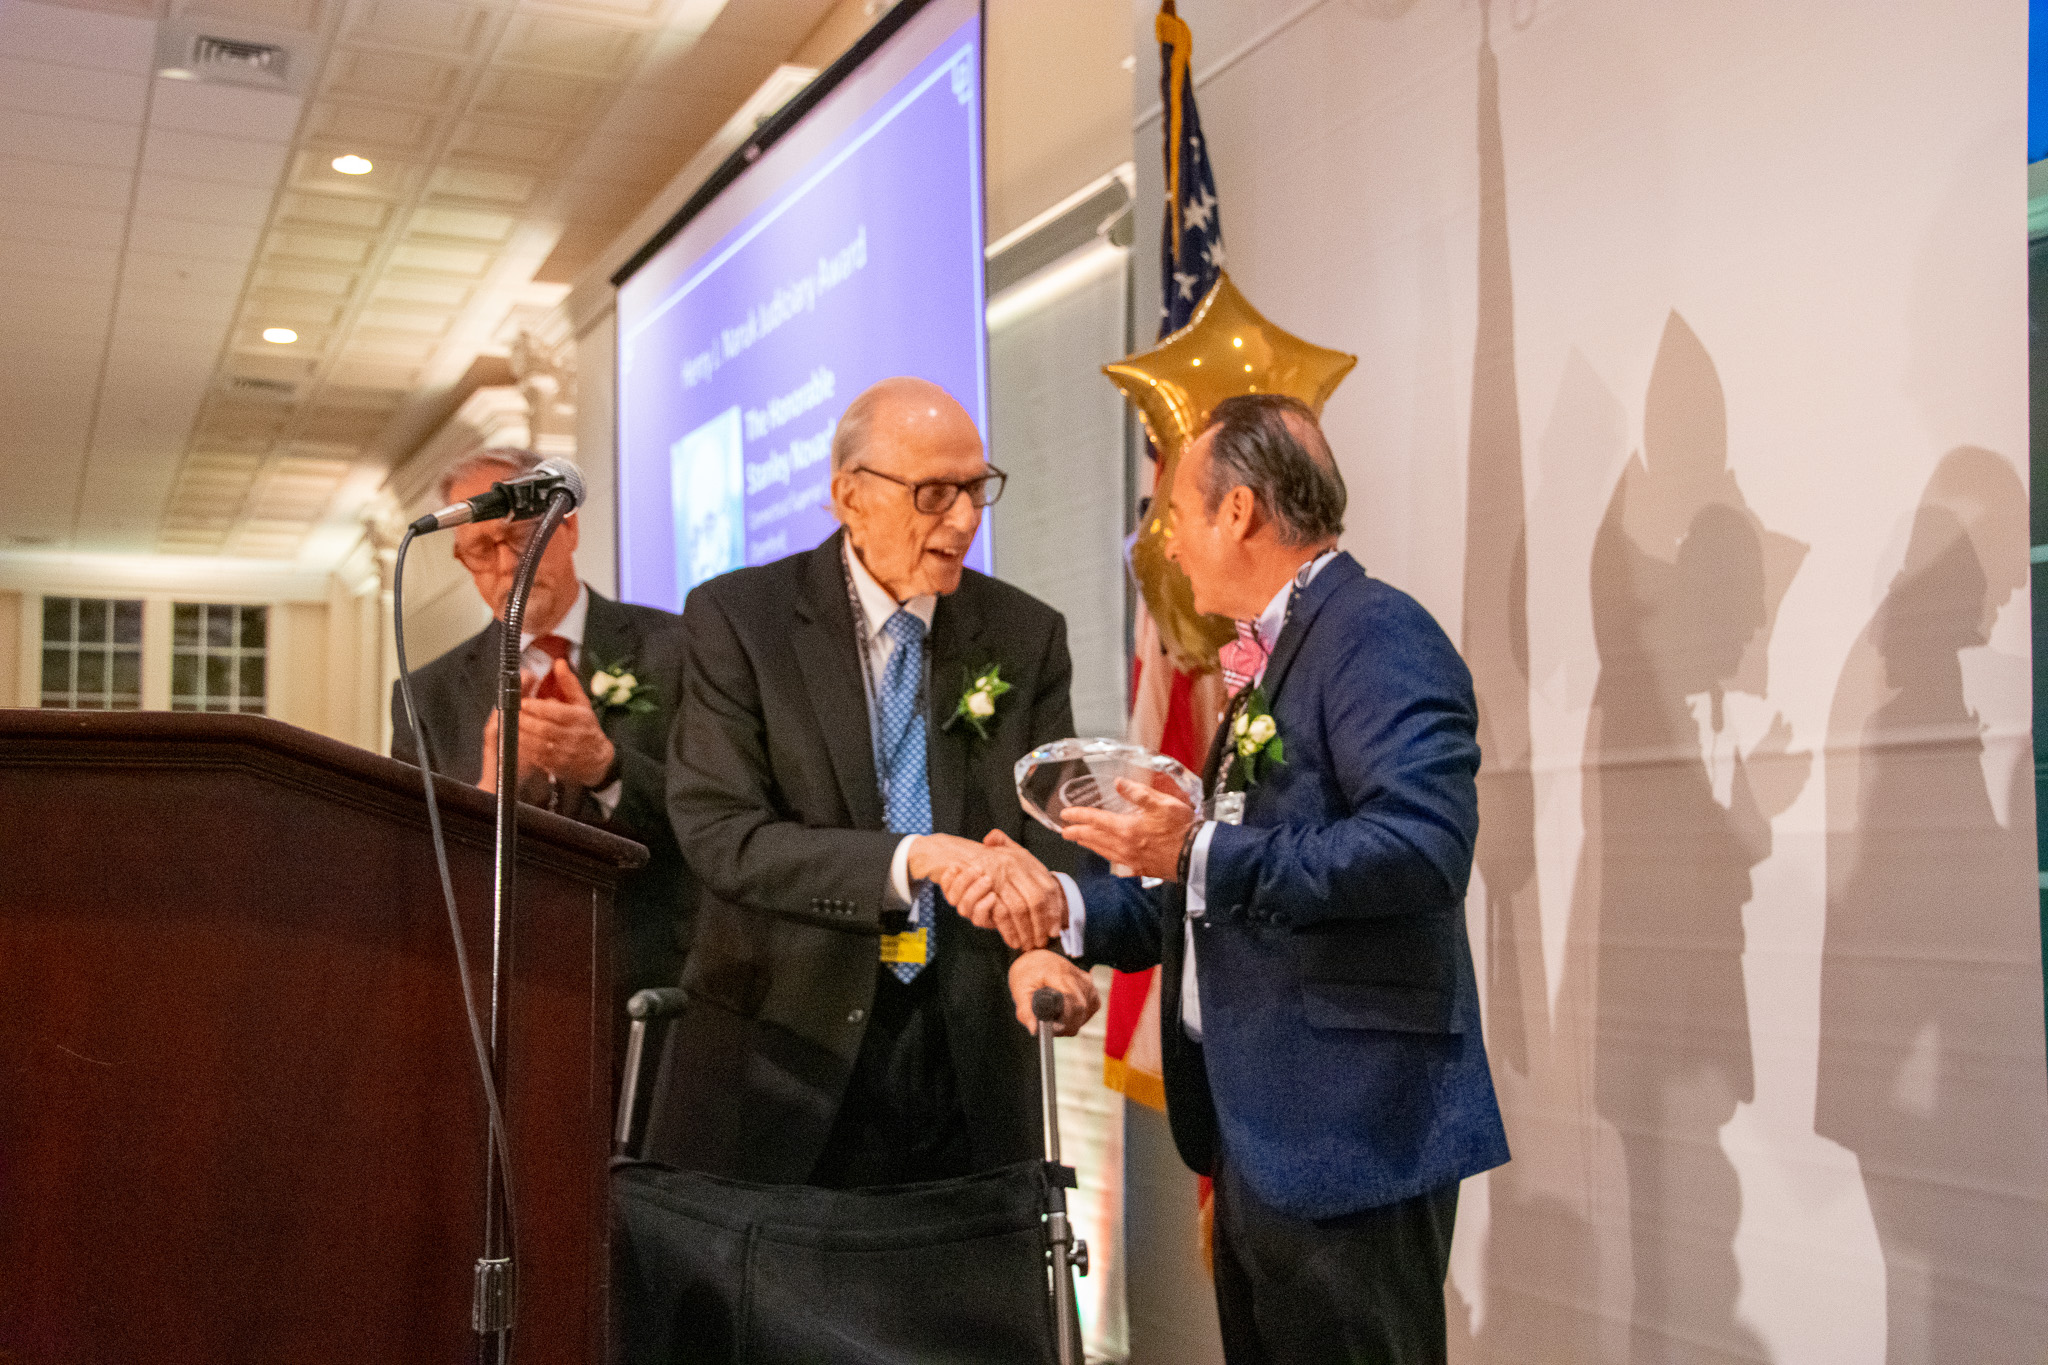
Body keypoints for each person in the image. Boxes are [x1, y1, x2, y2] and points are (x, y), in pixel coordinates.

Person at [1008, 394, 1509, 1364]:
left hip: (1347, 1136)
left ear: (1237, 511)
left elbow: (1420, 850)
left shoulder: (1374, 631)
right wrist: (1061, 903)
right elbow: (1215, 889)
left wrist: (1195, 850)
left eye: (1175, 514)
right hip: (1260, 1133)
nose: (1163, 543)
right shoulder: (1270, 659)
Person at [643, 376, 1077, 1188]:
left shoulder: (1025, 634)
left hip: (970, 1054)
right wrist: (915, 857)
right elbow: (722, 834)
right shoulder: (741, 620)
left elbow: (1055, 825)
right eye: (935, 493)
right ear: (850, 496)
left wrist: (1047, 945)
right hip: (787, 1052)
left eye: (976, 488)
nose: (965, 519)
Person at [390, 446, 697, 1062]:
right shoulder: (427, 695)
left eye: (520, 537)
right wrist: (490, 793)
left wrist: (607, 770)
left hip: (661, 981)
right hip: (508, 994)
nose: (507, 566)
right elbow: (416, 870)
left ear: (568, 527)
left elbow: (725, 814)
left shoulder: (681, 648)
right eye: (482, 551)